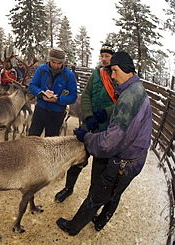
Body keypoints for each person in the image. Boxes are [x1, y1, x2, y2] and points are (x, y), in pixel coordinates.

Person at [56, 51, 152, 236]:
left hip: (122, 161)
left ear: (126, 69)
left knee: (97, 194)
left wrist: (87, 137)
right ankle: (100, 222)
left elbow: (109, 143)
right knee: (115, 193)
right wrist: (102, 113)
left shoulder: (129, 97)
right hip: (136, 158)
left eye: (115, 71)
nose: (113, 76)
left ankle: (73, 227)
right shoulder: (137, 89)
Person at [55, 44, 117, 202]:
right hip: (89, 125)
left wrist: (106, 113)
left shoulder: (119, 76)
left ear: (113, 57)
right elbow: (87, 95)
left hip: (107, 129)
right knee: (77, 159)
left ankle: (92, 199)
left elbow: (123, 102)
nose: (104, 59)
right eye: (102, 55)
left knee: (99, 167)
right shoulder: (97, 74)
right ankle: (68, 188)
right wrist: (88, 117)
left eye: (107, 56)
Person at [28, 47, 77, 137]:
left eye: (59, 63)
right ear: (49, 59)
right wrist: (41, 93)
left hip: (57, 114)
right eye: (53, 62)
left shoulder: (69, 75)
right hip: (40, 110)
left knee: (51, 142)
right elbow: (32, 86)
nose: (56, 65)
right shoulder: (41, 70)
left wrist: (58, 99)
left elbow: (73, 97)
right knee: (32, 137)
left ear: (63, 62)